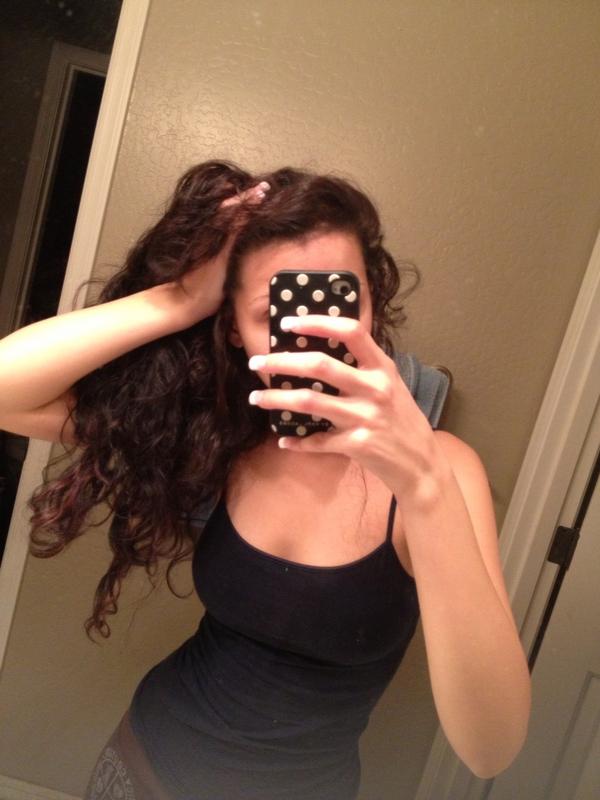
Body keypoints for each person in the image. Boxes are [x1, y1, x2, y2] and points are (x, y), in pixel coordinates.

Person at [0, 160, 531, 800]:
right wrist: (179, 300)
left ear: (370, 304)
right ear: (234, 328)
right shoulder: (219, 439)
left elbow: (490, 748)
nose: (310, 340)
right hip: (143, 764)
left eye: (338, 304)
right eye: (275, 313)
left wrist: (423, 485)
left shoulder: (442, 470)